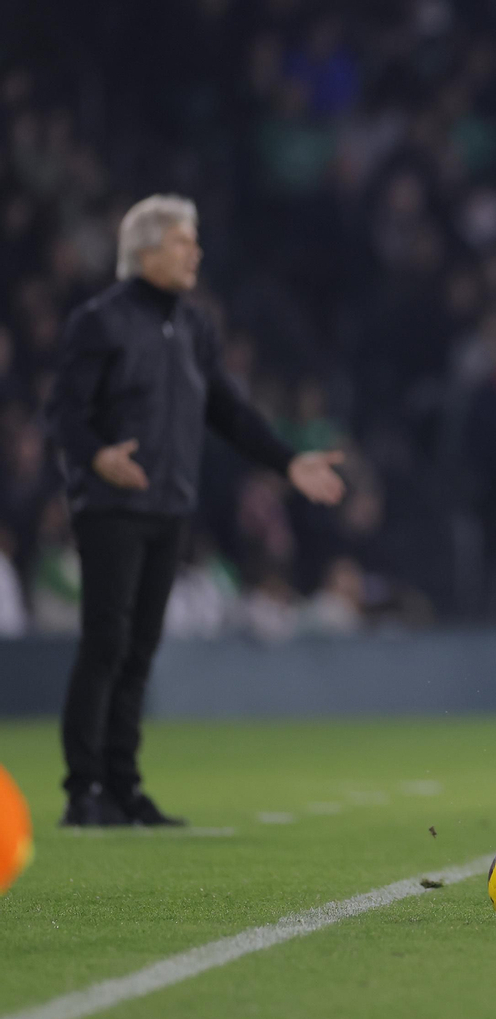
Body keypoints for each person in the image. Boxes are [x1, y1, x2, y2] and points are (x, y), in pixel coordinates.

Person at [45, 195, 346, 827]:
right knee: (106, 643)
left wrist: (288, 461)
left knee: (141, 647)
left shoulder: (194, 326)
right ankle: (83, 791)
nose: (196, 253)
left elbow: (230, 412)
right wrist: (98, 457)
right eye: (184, 242)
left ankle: (123, 786)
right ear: (146, 250)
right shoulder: (99, 321)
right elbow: (64, 415)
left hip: (168, 506)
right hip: (110, 506)